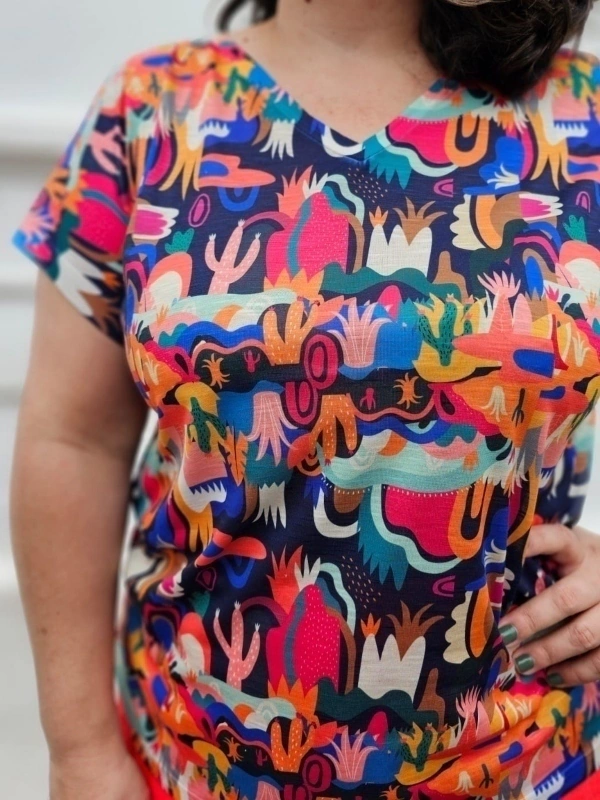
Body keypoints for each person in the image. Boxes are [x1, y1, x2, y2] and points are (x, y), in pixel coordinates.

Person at [9, 0, 600, 797]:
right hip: (190, 764)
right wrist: (80, 751)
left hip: (525, 763)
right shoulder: (151, 109)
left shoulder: (581, 117)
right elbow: (72, 440)